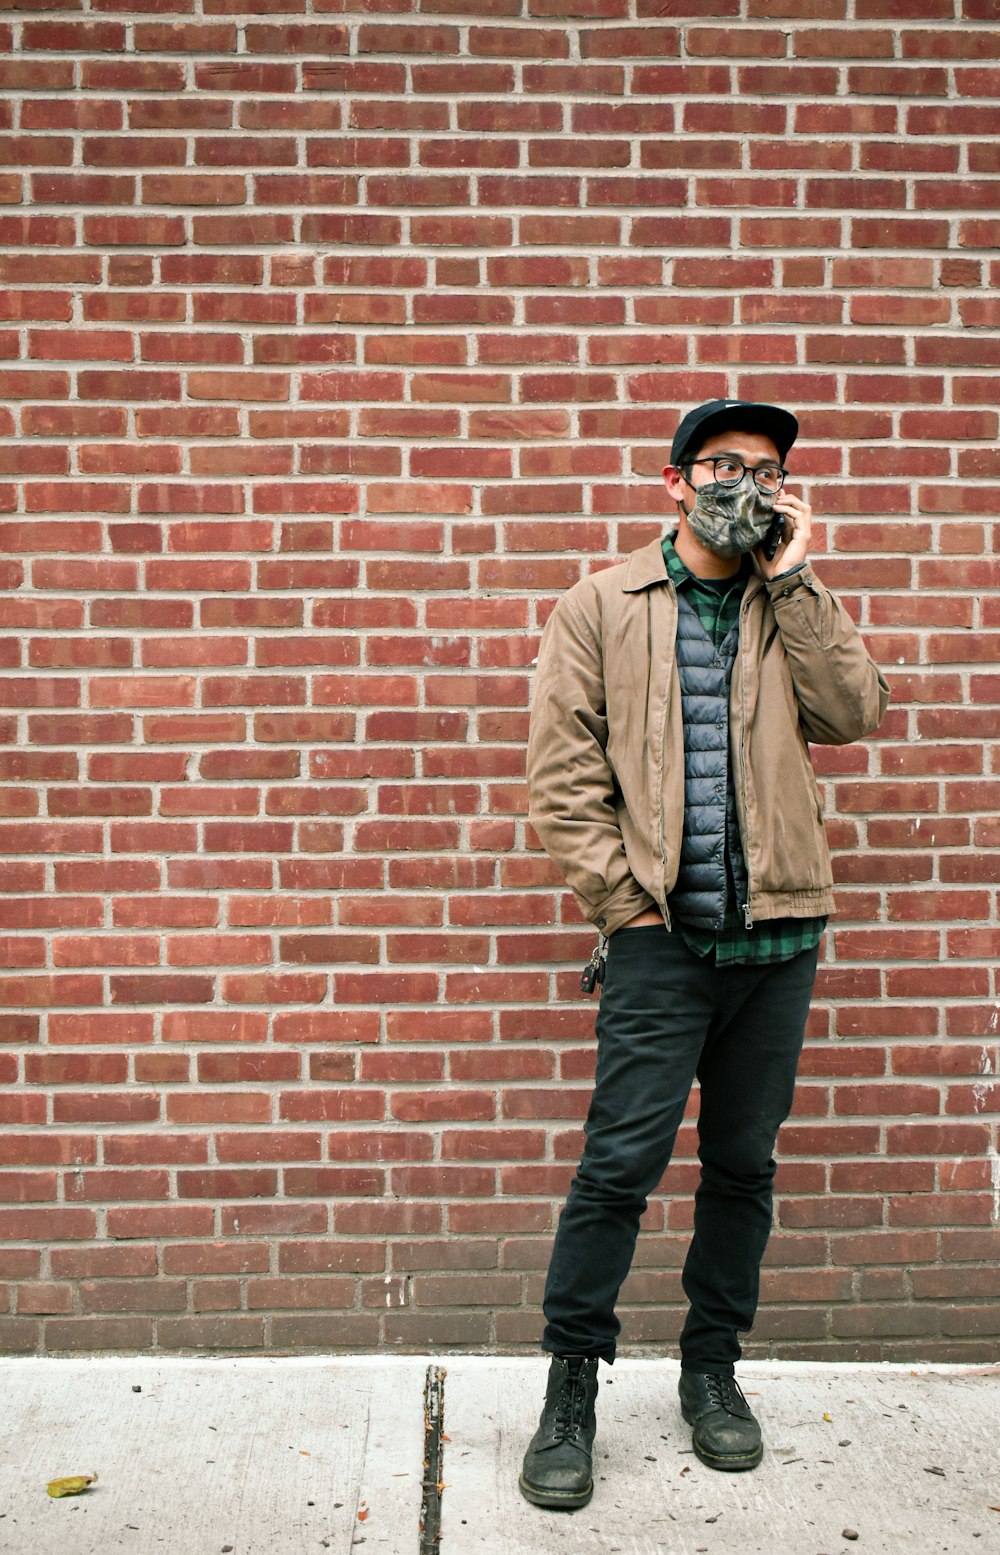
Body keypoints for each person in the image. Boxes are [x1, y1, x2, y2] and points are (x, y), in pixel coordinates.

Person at [519, 399, 890, 1510]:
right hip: (660, 944)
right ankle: (570, 1388)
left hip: (779, 939)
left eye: (764, 470)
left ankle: (711, 1369)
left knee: (741, 1165)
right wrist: (625, 908)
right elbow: (562, 774)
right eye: (722, 465)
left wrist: (794, 577)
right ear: (672, 482)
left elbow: (853, 711)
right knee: (617, 1168)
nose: (743, 483)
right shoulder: (600, 603)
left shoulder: (788, 602)